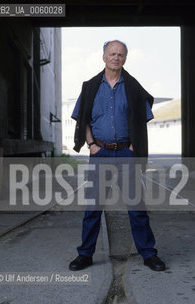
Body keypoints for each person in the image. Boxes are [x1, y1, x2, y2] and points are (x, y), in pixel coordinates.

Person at [69, 40, 166, 272]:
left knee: (136, 207)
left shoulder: (132, 87)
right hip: (100, 152)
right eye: (112, 53)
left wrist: (134, 145)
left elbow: (143, 117)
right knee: (93, 207)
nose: (116, 58)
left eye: (120, 54)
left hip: (126, 153)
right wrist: (91, 144)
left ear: (125, 58)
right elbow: (82, 118)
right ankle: (85, 255)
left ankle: (149, 254)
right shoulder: (91, 86)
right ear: (104, 57)